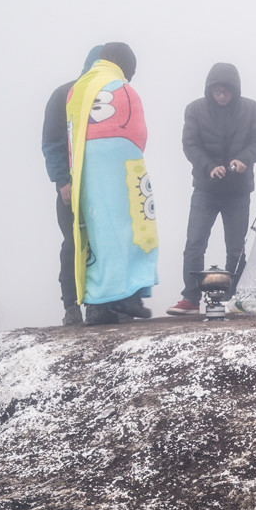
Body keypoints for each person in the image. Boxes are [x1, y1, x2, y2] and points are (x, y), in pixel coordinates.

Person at [66, 42, 158, 326]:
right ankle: (126, 293)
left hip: (84, 167)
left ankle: (97, 304)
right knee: (130, 222)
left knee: (94, 233)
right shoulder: (121, 87)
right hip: (120, 160)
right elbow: (137, 133)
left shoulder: (77, 88)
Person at [167, 63, 256, 315]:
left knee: (235, 248)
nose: (222, 96)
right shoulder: (195, 110)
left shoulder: (251, 109)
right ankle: (190, 299)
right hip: (205, 190)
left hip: (238, 192)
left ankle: (234, 299)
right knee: (194, 244)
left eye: (226, 91)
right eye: (217, 91)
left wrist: (244, 159)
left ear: (235, 90)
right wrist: (209, 166)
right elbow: (190, 144)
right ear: (209, 90)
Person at [42, 45, 103, 326]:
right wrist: (62, 180)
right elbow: (52, 142)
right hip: (71, 187)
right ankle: (71, 306)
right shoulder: (63, 95)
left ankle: (98, 304)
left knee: (101, 244)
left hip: (101, 186)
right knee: (72, 244)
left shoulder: (108, 95)